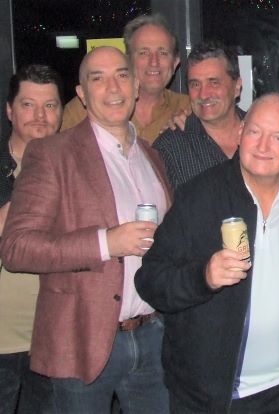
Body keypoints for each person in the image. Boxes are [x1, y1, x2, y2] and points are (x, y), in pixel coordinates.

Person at [136, 93, 279, 413]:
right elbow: (150, 279)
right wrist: (202, 276)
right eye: (255, 132)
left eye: (278, 137)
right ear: (240, 133)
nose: (263, 146)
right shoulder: (199, 197)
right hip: (211, 396)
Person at [0, 46, 171, 413]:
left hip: (153, 336)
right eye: (98, 78)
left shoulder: (152, 156)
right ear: (81, 94)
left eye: (122, 75)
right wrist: (106, 242)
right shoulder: (51, 154)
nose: (113, 87)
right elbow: (16, 248)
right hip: (80, 341)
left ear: (137, 86)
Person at [0, 64, 62, 414]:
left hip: (51, 339)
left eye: (50, 105)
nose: (40, 115)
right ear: (9, 110)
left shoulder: (73, 167)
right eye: (28, 105)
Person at [61, 13, 190, 143]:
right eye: (143, 53)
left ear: (175, 64)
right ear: (127, 61)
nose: (154, 62)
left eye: (162, 53)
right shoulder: (81, 111)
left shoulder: (189, 110)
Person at [153, 40, 245, 191]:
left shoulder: (264, 134)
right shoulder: (169, 148)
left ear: (237, 87)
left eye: (213, 83)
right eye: (195, 84)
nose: (203, 94)